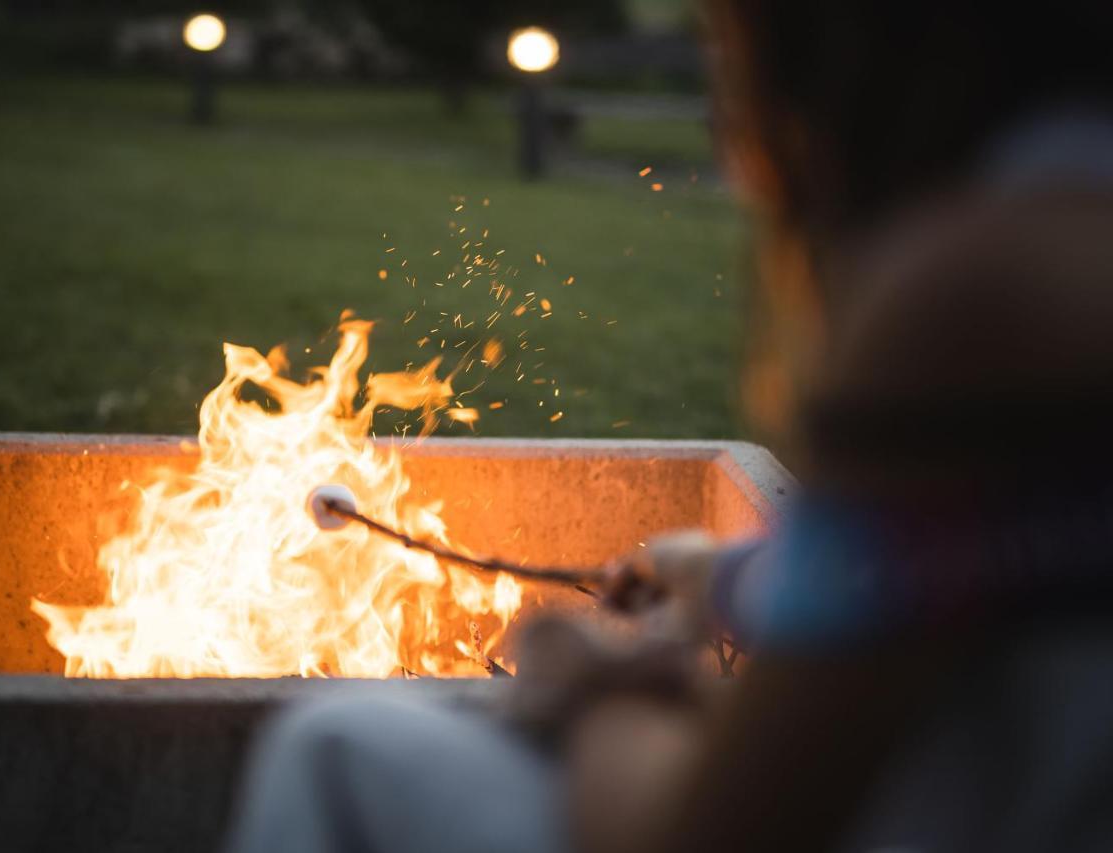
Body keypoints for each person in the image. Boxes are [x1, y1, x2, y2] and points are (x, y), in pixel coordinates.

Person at [226, 3, 1113, 851]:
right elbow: (984, 567)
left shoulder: (981, 292)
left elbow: (712, 837)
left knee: (336, 747)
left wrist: (599, 692)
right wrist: (735, 580)